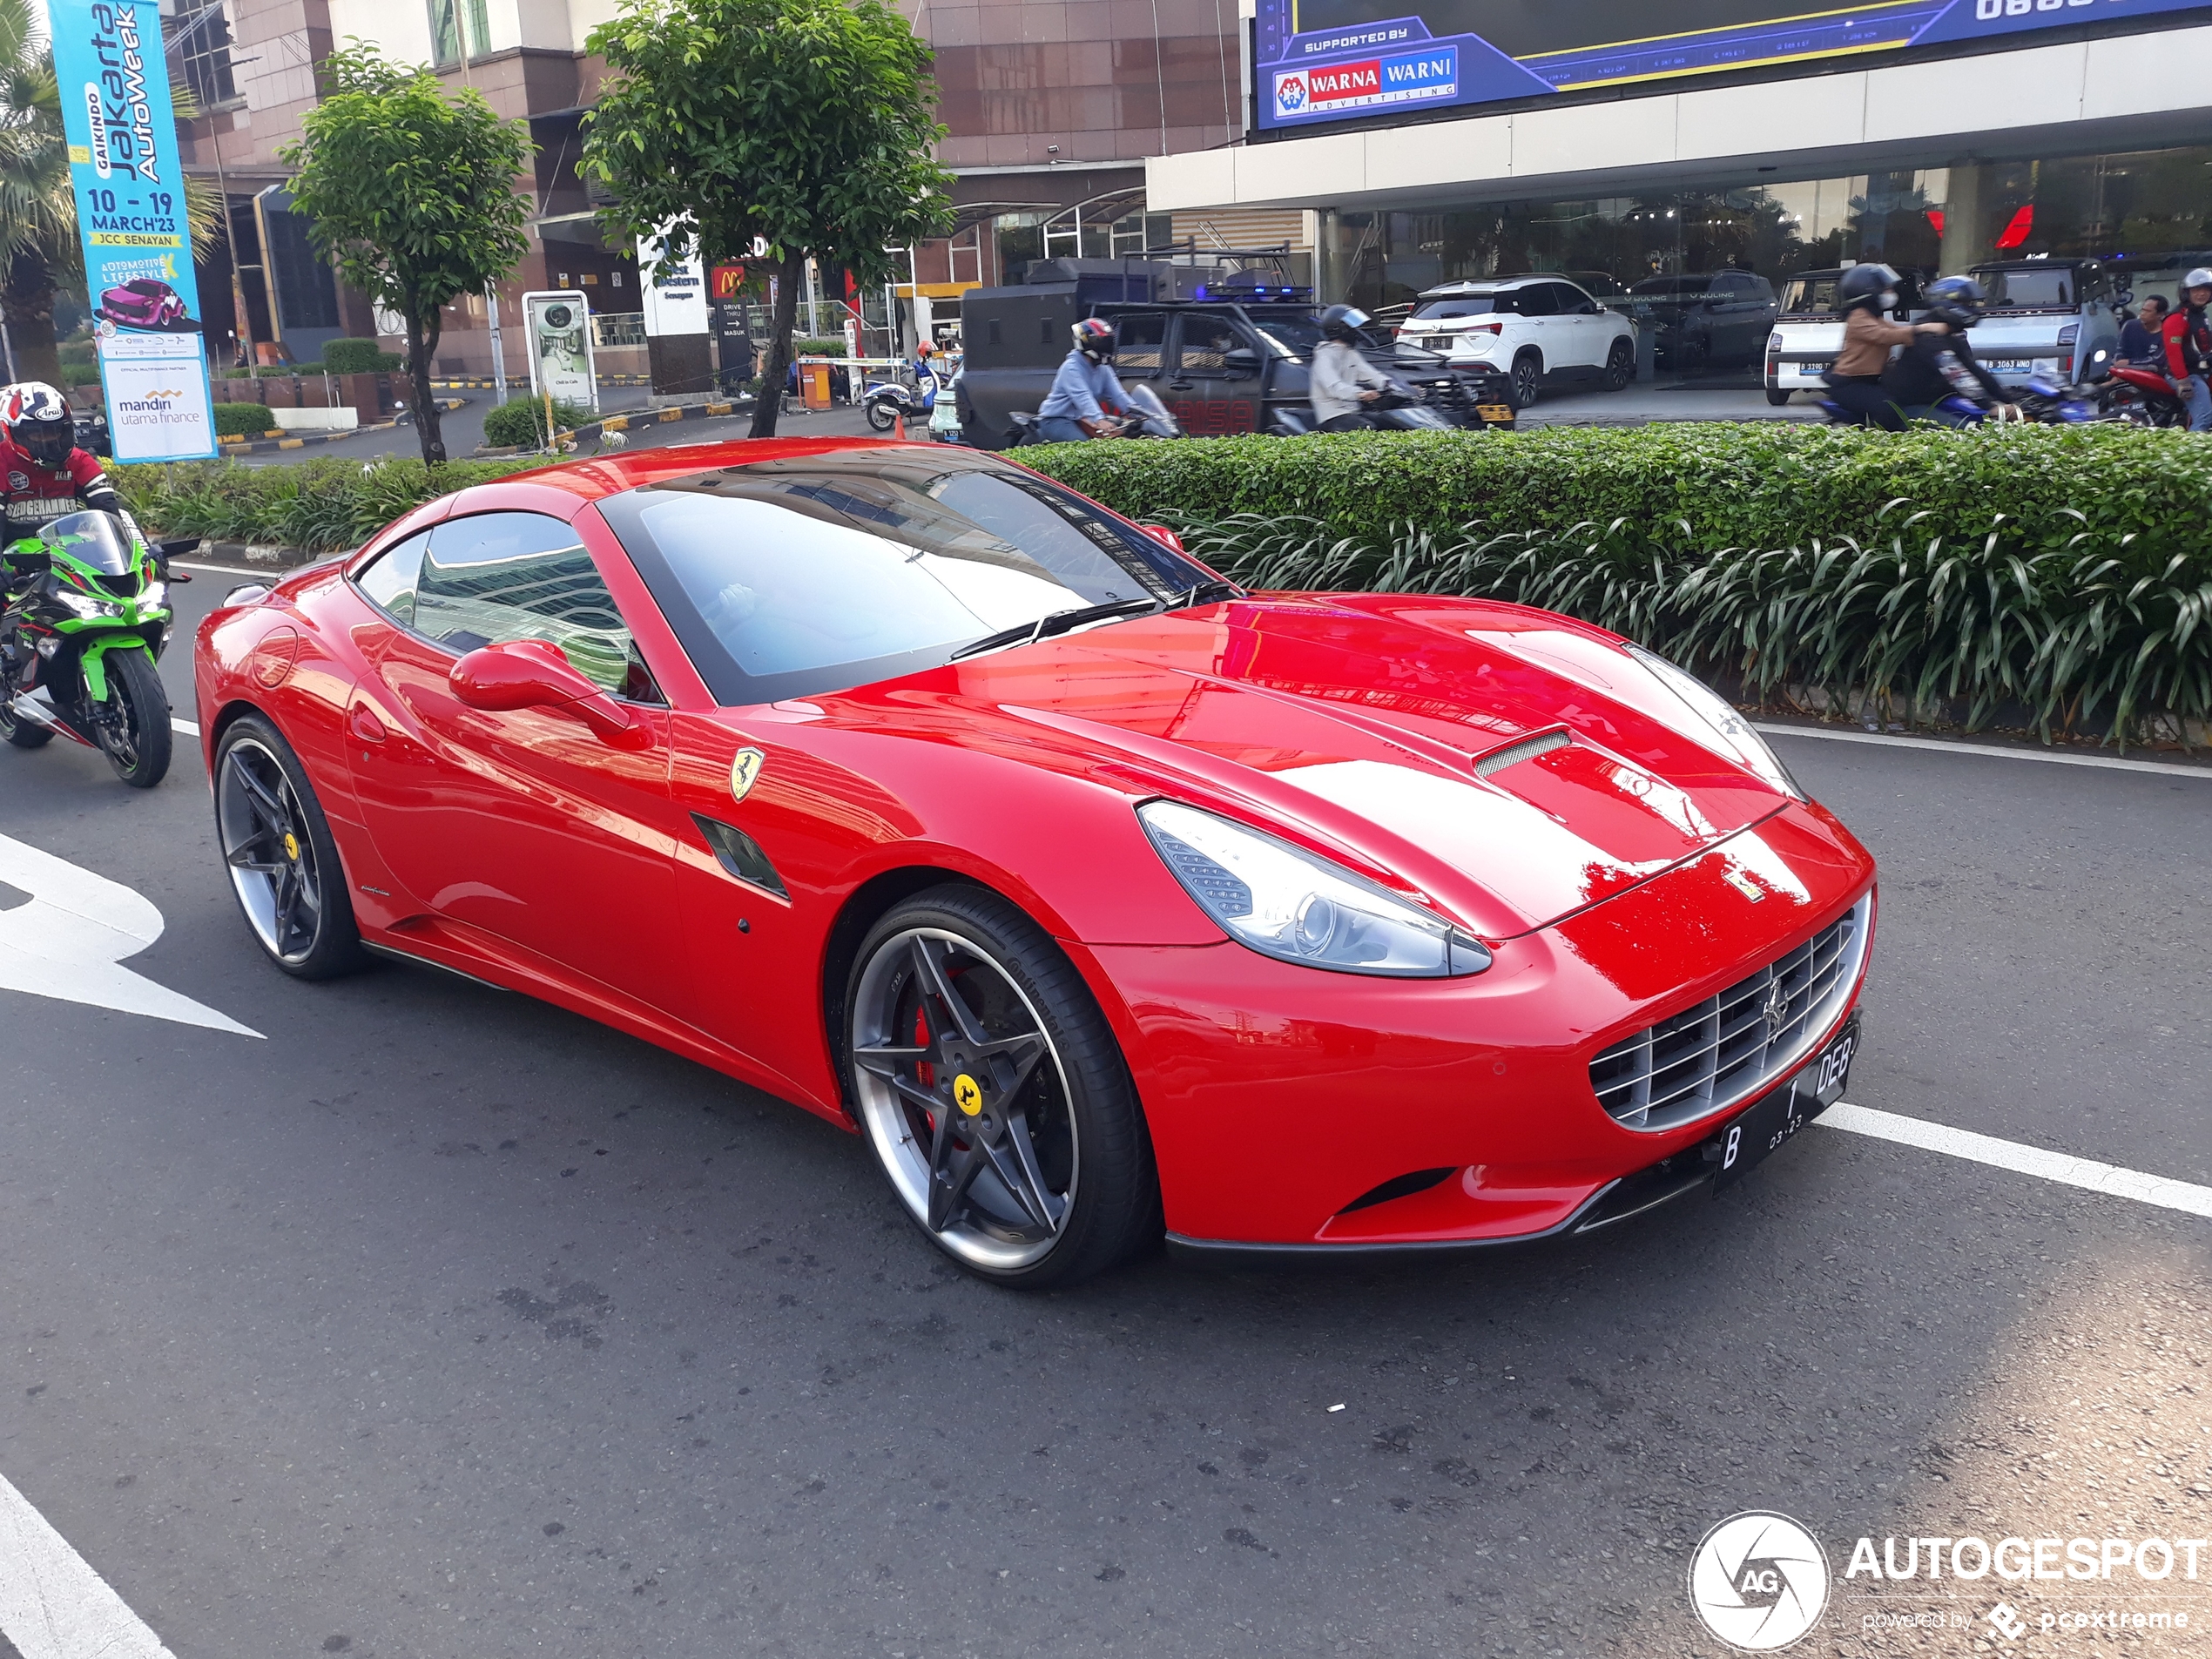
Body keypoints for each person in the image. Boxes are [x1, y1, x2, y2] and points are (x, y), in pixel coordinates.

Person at [0, 383, 125, 601]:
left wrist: (143, 552)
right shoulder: (2, 462)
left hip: (72, 562)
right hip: (13, 566)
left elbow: (111, 511)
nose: (51, 440)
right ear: (13, 432)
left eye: (56, 430)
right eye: (38, 434)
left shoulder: (79, 460)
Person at [1878, 277, 2021, 426]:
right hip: (1911, 406)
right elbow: (1957, 375)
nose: (1972, 308)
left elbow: (1973, 369)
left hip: (1940, 399)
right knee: (1967, 430)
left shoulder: (1951, 334)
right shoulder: (1929, 337)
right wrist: (1989, 406)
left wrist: (2009, 398)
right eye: (1966, 303)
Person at [1821, 263, 1941, 430]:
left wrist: (1927, 335)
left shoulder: (1874, 315)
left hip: (1872, 381)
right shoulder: (1858, 317)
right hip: (1850, 385)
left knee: (1903, 399)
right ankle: (1875, 444)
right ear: (1869, 290)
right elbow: (1884, 335)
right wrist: (1922, 329)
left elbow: (1897, 331)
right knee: (1889, 408)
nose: (1890, 293)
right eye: (1885, 289)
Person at [1035, 319, 1130, 442]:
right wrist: (1099, 419)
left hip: (1082, 419)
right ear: (1085, 343)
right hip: (1057, 419)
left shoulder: (1103, 368)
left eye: (1107, 341)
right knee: (1085, 447)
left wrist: (1140, 412)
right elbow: (1082, 396)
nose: (1105, 346)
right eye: (1099, 341)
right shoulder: (1071, 368)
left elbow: (1119, 395)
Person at [1310, 304, 1392, 432]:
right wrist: (1360, 394)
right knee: (1368, 429)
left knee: (1389, 422)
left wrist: (1393, 385)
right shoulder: (1324, 356)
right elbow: (1334, 387)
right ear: (1340, 329)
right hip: (1332, 416)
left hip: (1353, 411)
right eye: (1353, 327)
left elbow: (1372, 374)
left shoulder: (1350, 353)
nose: (1357, 331)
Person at [2160, 268, 2212, 433]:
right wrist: (2183, 381)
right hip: (2188, 375)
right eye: (2197, 290)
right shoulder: (2178, 318)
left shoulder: (2199, 315)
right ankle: (2192, 453)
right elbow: (2173, 351)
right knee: (2204, 418)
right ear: (2186, 293)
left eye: (2206, 290)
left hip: (2201, 370)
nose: (2202, 294)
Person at [2117, 294, 2168, 368]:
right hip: (2125, 371)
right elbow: (2120, 349)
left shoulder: (2166, 333)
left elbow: (2157, 360)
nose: (2143, 314)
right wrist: (2119, 362)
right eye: (2143, 310)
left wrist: (2130, 362)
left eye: (2148, 311)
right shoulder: (2130, 325)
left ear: (2160, 315)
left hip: (2151, 373)